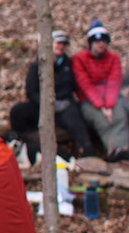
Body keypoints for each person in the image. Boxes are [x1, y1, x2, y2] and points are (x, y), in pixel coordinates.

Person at [9, 30, 96, 163]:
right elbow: (31, 92)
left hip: (64, 105)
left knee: (75, 119)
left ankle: (87, 150)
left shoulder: (69, 64)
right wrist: (45, 103)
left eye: (63, 44)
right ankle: (22, 142)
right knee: (18, 111)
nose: (60, 47)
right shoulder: (37, 65)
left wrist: (61, 102)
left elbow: (72, 86)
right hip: (42, 105)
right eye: (58, 43)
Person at [73, 19, 129, 162]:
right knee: (102, 120)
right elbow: (85, 84)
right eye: (98, 42)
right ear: (91, 43)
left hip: (111, 98)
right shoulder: (79, 59)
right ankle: (113, 150)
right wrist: (101, 106)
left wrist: (109, 104)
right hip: (89, 100)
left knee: (120, 116)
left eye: (104, 42)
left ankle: (123, 149)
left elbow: (114, 81)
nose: (101, 45)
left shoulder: (113, 58)